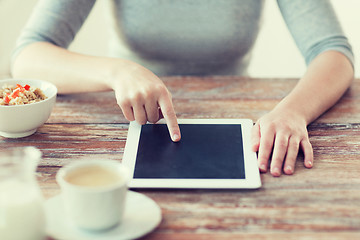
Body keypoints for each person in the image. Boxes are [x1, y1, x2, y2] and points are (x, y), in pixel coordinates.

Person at [11, 0, 354, 177]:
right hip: (123, 128)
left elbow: (334, 52)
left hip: (236, 122)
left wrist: (293, 111)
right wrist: (117, 72)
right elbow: (28, 55)